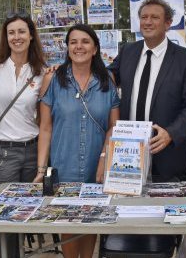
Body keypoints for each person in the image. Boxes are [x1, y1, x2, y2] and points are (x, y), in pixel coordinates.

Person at [37, 24, 120, 258]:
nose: (79, 46)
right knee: (68, 227)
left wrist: (105, 158)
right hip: (64, 166)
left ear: (95, 49)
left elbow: (113, 127)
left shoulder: (108, 80)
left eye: (85, 41)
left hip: (97, 167)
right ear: (67, 47)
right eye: (73, 42)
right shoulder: (53, 79)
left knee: (91, 223)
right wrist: (42, 168)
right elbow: (45, 128)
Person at [108, 0, 186, 183]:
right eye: (144, 17)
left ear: (168, 24)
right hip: (129, 154)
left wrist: (171, 133)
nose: (148, 22)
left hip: (167, 156)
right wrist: (64, 69)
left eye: (154, 17)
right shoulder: (128, 52)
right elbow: (106, 76)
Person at [0, 12, 45, 257]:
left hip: (33, 149)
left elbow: (44, 115)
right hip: (3, 151)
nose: (16, 37)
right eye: (11, 33)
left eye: (21, 32)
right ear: (5, 37)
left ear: (31, 36)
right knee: (5, 213)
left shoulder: (42, 71)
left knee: (30, 210)